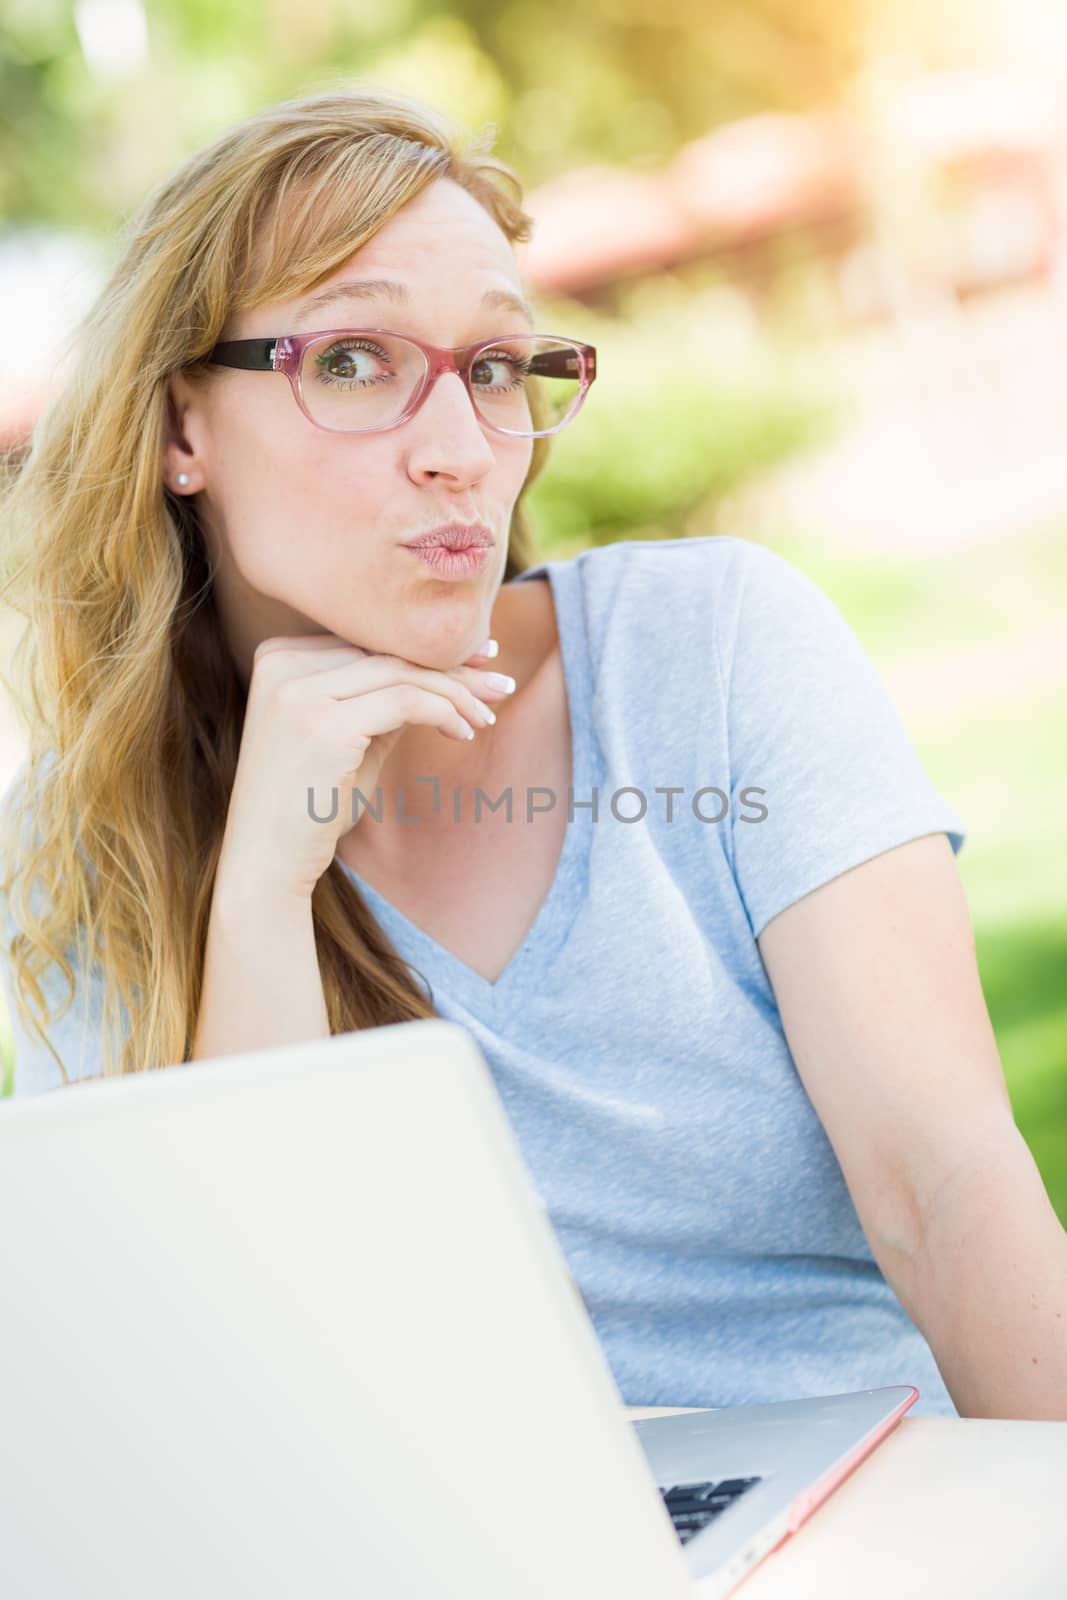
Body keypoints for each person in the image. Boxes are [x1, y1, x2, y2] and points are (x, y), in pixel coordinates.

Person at [1, 87, 1064, 1423]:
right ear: (178, 430)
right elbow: (245, 1402)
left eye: (494, 368)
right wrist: (264, 884)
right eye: (351, 362)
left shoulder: (712, 653)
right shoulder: (88, 841)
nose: (460, 453)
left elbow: (947, 1189)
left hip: (868, 1514)